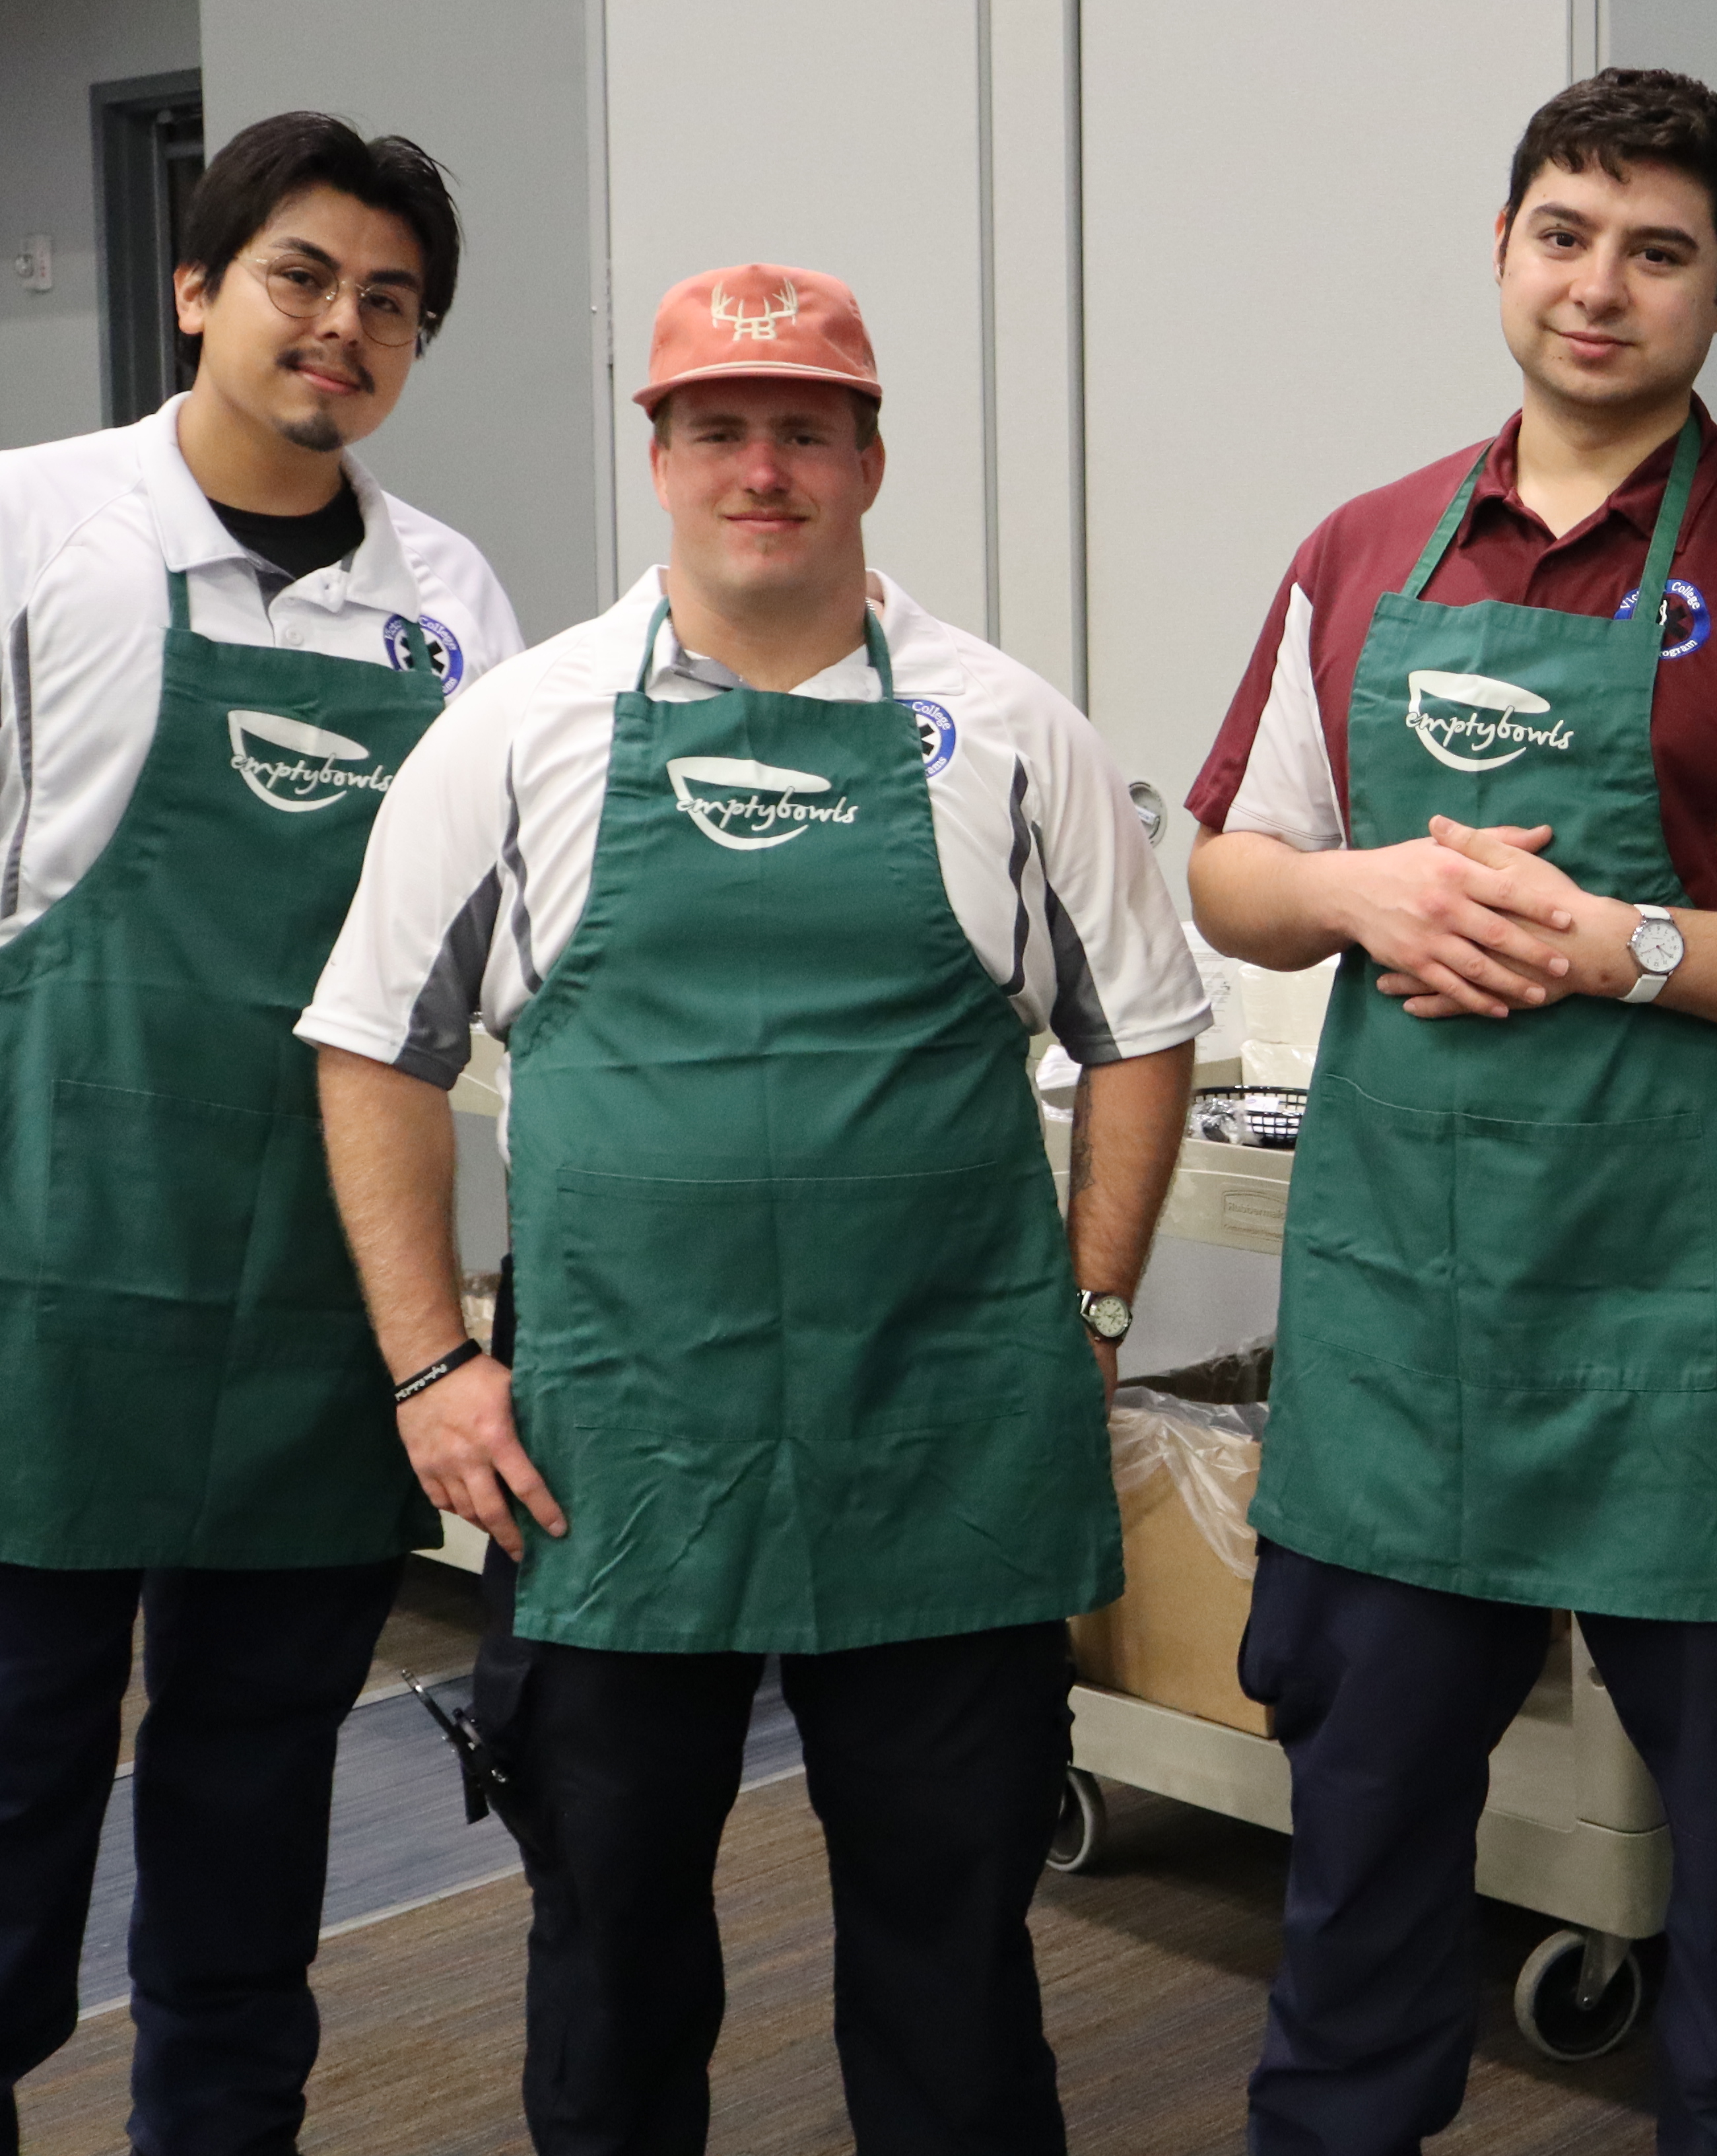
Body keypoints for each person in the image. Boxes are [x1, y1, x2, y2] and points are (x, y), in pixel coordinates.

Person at [303, 264, 1207, 2155]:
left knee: (954, 1952)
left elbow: (1143, 1032)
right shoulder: (520, 730)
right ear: (661, 457)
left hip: (942, 1441)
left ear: (871, 456)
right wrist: (426, 1366)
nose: (763, 467)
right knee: (613, 1943)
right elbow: (377, 1050)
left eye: (806, 427)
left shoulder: (1013, 732)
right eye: (720, 427)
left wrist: (1098, 1309)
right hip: (621, 1450)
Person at [1185, 66, 1717, 2155]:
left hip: (1700, 1304)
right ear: (1504, 246)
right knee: (1355, 1824)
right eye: (1565, 233)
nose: (1600, 287)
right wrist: (1367, 892)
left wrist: (1624, 943)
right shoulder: (1359, 551)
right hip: (1407, 1290)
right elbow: (1231, 876)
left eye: (1658, 251)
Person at [0, 113, 522, 2153]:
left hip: (315, 1301)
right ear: (196, 287)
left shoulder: (446, 599)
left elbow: (489, 937)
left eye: (389, 304)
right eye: (298, 277)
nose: (339, 329)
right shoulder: (29, 524)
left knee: (253, 1801)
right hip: (49, 1269)